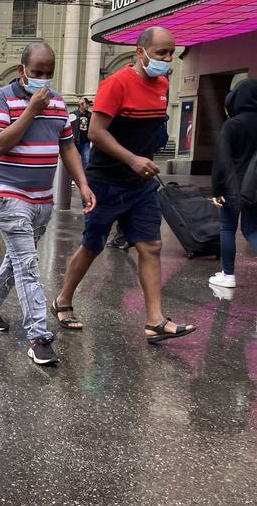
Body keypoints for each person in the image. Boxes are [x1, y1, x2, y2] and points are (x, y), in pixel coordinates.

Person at [54, 26, 196, 344]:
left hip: (140, 184)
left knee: (151, 246)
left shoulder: (162, 84)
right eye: (161, 53)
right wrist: (132, 158)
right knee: (92, 246)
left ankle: (155, 321)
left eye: (171, 53)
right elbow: (96, 133)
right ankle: (63, 300)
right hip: (106, 182)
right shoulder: (114, 84)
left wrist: (143, 158)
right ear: (140, 52)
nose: (167, 59)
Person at [0, 42, 97, 366]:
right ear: (22, 71)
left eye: (49, 74)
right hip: (6, 193)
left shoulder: (58, 104)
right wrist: (31, 110)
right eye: (37, 73)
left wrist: (83, 185)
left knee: (17, 258)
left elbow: (68, 147)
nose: (43, 80)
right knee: (28, 263)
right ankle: (38, 337)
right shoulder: (1, 99)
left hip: (42, 199)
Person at [209, 77, 257, 293]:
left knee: (227, 228)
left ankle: (228, 275)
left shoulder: (233, 124)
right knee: (251, 229)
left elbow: (222, 158)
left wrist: (218, 189)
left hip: (234, 186)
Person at [72, 98, 92, 168]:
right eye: (86, 104)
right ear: (81, 105)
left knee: (86, 160)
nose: (88, 105)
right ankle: (73, 177)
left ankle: (84, 177)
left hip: (85, 142)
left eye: (88, 104)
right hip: (75, 142)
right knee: (74, 161)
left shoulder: (90, 115)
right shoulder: (73, 114)